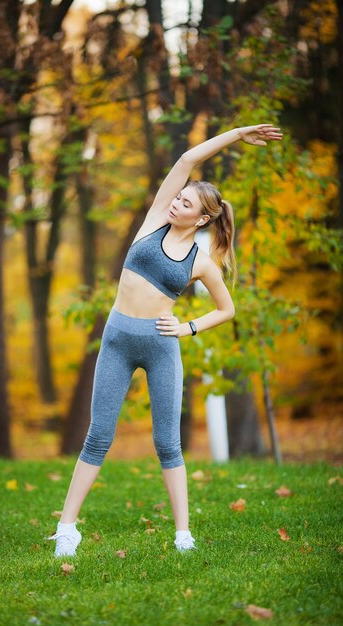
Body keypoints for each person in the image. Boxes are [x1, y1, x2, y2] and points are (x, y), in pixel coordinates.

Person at [46, 124, 283, 557]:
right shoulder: (154, 220)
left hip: (160, 346)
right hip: (117, 339)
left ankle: (183, 534)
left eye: (187, 202)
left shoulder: (202, 261)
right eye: (179, 196)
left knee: (166, 442)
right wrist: (237, 134)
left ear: (204, 218)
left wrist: (189, 327)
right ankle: (67, 528)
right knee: (98, 435)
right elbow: (187, 160)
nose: (177, 202)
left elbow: (226, 309)